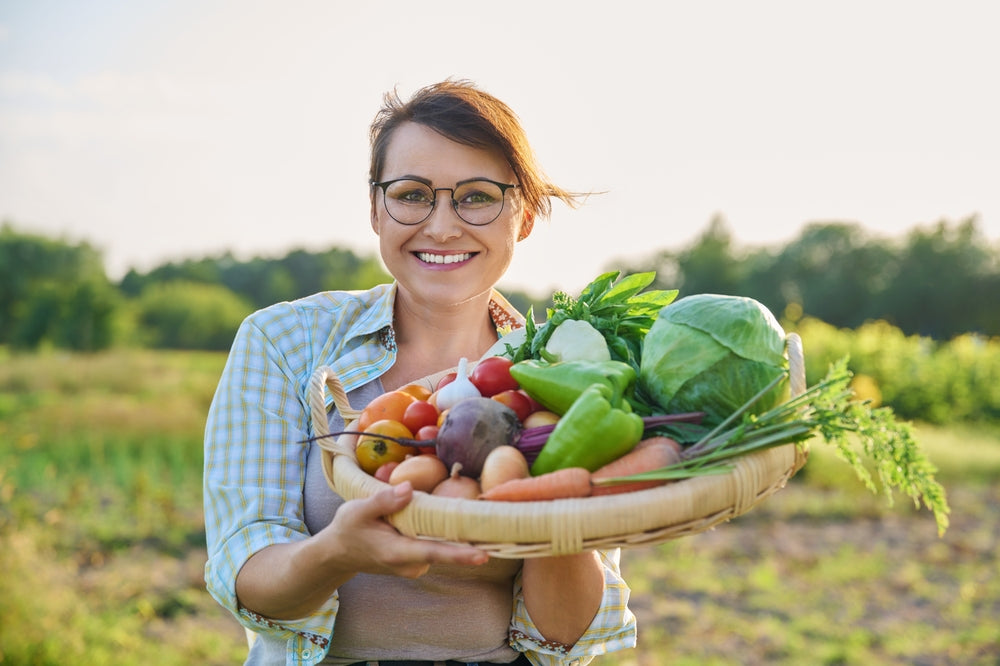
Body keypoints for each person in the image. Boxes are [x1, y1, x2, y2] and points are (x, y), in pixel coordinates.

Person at [203, 79, 637, 666]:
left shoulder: (564, 375)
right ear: (376, 208)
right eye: (411, 194)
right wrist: (338, 552)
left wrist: (554, 515)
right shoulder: (284, 342)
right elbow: (247, 572)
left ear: (525, 215)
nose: (441, 226)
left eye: (478, 196)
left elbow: (565, 638)